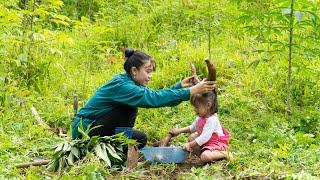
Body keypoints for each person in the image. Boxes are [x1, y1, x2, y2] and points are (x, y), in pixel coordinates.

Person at [71, 48, 216, 150]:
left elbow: (154, 94)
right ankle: (113, 146)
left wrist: (179, 87)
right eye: (147, 71)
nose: (150, 76)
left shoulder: (130, 83)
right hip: (85, 131)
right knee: (130, 109)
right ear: (134, 71)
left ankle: (117, 145)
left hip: (101, 126)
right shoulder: (124, 86)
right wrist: (191, 91)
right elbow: (152, 99)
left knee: (140, 139)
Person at [169, 92, 231, 163]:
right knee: (192, 137)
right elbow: (193, 127)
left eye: (197, 107)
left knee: (205, 156)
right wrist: (179, 130)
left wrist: (189, 144)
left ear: (208, 105)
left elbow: (204, 137)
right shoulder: (200, 117)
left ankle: (224, 154)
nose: (195, 109)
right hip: (207, 142)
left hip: (215, 143)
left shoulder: (212, 120)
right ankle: (204, 158)